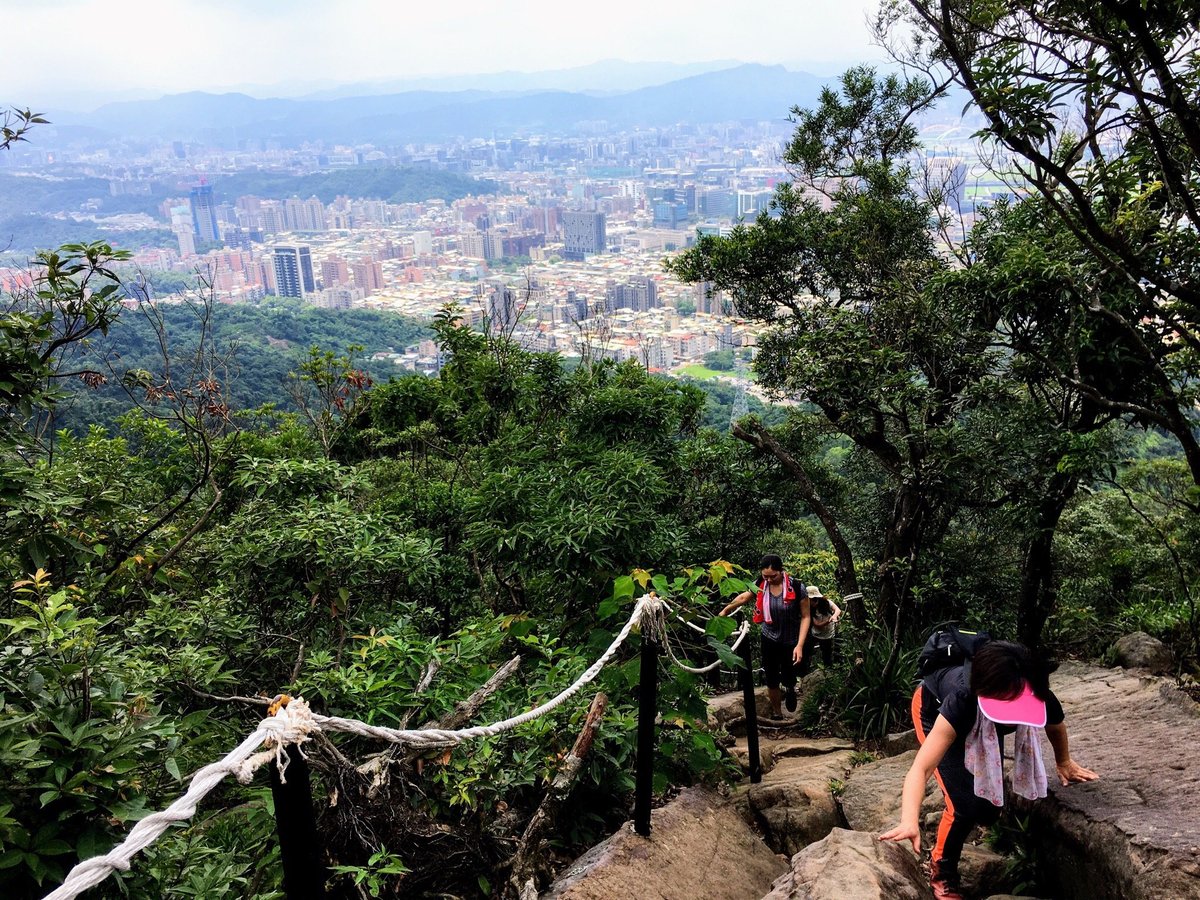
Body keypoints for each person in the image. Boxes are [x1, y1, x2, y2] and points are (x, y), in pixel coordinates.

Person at [879, 640, 1098, 900]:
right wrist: (909, 819)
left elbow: (1055, 724)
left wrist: (1064, 763)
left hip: (985, 724)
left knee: (988, 808)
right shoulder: (963, 698)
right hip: (934, 712)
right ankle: (942, 869)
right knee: (964, 805)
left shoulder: (1035, 692)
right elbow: (922, 768)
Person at [718, 554, 811, 717]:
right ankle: (777, 713)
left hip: (791, 639)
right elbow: (744, 597)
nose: (768, 580)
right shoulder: (760, 584)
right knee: (771, 676)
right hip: (769, 637)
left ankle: (790, 688)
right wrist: (726, 610)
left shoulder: (797, 587)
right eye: (765, 576)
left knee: (789, 675)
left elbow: (806, 616)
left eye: (772, 576)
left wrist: (800, 645)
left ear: (781, 571)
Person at [806, 585, 841, 667]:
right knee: (807, 651)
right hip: (815, 633)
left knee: (827, 654)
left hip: (828, 634)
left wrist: (834, 616)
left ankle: (829, 670)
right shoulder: (808, 608)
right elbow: (817, 625)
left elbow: (837, 610)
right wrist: (828, 621)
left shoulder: (826, 603)